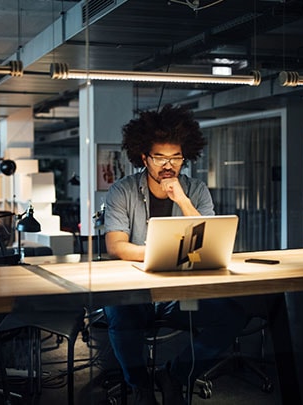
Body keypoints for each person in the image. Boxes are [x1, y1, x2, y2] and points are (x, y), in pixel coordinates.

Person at [103, 104, 246, 405]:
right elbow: (116, 246)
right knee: (120, 313)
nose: (168, 165)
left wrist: (181, 199)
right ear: (144, 157)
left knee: (231, 318)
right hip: (137, 291)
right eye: (159, 157)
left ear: (185, 156)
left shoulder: (195, 190)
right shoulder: (122, 191)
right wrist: (162, 253)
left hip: (181, 294)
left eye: (176, 157)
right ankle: (139, 385)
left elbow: (207, 239)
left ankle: (176, 375)